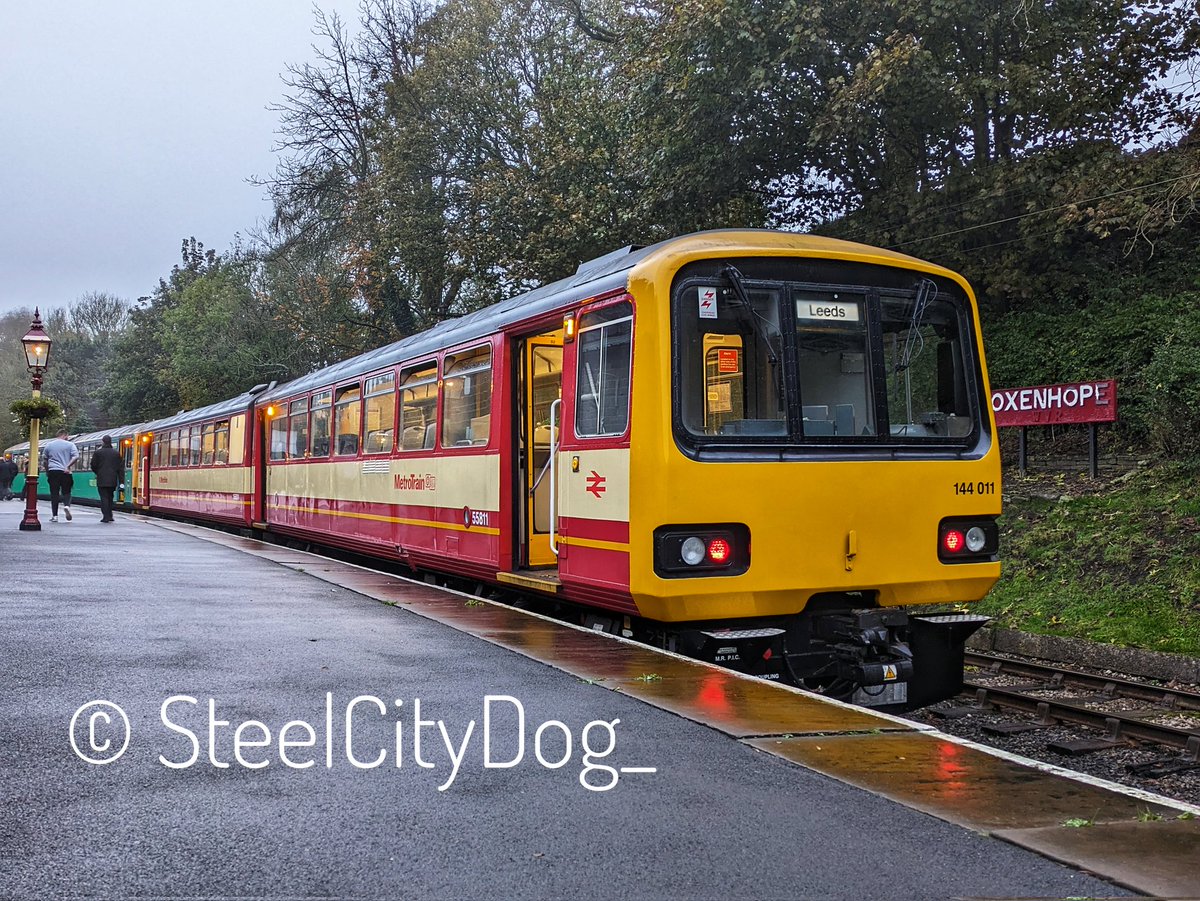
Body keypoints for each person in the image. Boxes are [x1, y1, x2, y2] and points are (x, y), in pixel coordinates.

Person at [41, 429, 79, 522]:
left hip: (53, 471)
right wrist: (68, 466)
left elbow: (45, 460)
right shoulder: (70, 445)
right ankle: (66, 506)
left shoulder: (49, 445)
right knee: (67, 492)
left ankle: (55, 516)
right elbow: (76, 456)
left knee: (54, 494)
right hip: (65, 472)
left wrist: (47, 471)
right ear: (65, 435)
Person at [90, 435, 123, 523]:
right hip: (112, 479)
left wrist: (98, 472)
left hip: (101, 478)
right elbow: (120, 468)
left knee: (104, 497)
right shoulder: (116, 453)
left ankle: (105, 516)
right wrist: (121, 481)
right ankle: (110, 515)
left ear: (103, 442)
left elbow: (93, 465)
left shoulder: (98, 453)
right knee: (110, 497)